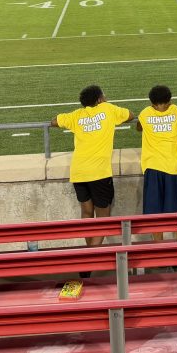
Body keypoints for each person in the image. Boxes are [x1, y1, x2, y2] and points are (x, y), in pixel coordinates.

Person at [50, 85, 133, 247]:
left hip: (79, 172)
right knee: (103, 218)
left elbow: (54, 121)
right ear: (99, 99)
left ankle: (88, 253)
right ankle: (91, 259)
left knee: (87, 213)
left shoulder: (76, 115)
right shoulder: (108, 109)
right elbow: (130, 115)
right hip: (99, 172)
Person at [136, 85, 177, 242]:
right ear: (169, 101)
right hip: (173, 168)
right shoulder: (176, 111)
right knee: (175, 213)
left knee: (155, 215)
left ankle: (159, 249)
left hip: (152, 168)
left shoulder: (145, 113)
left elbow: (139, 127)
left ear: (151, 103)